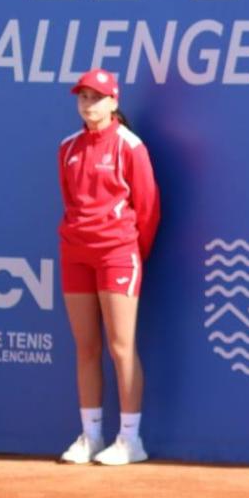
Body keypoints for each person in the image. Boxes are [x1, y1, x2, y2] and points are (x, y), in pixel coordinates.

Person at [55, 69, 160, 466]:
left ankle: (131, 440)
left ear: (114, 102)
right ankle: (91, 436)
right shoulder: (67, 148)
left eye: (96, 97)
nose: (88, 104)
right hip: (75, 254)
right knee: (86, 347)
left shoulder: (131, 147)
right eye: (82, 97)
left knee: (121, 347)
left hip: (118, 253)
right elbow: (70, 201)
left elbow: (147, 209)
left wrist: (130, 251)